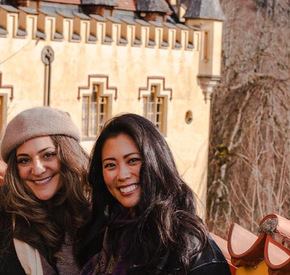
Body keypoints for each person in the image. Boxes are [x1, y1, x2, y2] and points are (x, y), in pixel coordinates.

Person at [78, 114, 230, 275]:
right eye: (110, 165)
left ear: (156, 162)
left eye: (133, 160)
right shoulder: (110, 234)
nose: (122, 175)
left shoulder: (191, 250)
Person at [0, 107, 94, 275]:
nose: (38, 169)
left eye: (48, 155)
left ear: (68, 156)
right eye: (24, 160)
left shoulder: (97, 216)